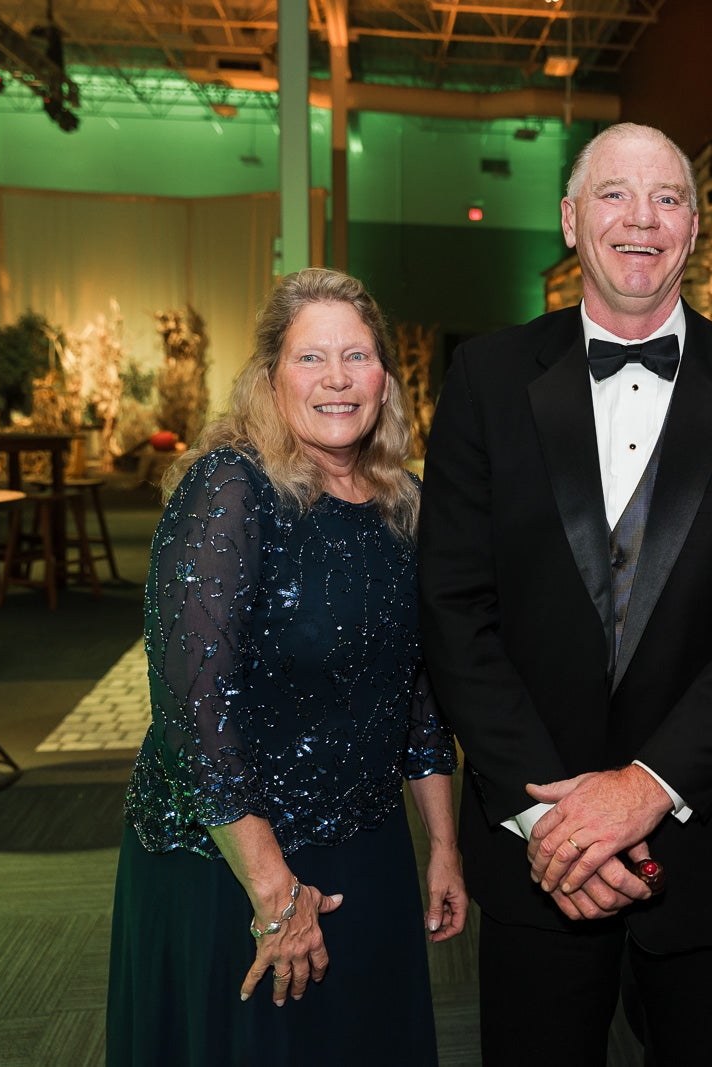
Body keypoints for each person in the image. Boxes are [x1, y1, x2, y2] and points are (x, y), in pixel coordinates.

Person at [417, 123, 712, 1064]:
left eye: (667, 198)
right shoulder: (486, 378)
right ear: (571, 221)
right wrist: (550, 821)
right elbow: (453, 608)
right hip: (537, 858)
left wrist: (648, 787)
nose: (641, 219)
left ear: (693, 229)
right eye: (614, 194)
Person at [107, 268, 466, 1065]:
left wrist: (443, 844)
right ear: (270, 378)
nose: (337, 379)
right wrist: (276, 895)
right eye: (311, 358)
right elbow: (191, 713)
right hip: (231, 862)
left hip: (366, 849)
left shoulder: (405, 501)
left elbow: (417, 697)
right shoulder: (231, 487)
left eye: (357, 355)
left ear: (385, 376)